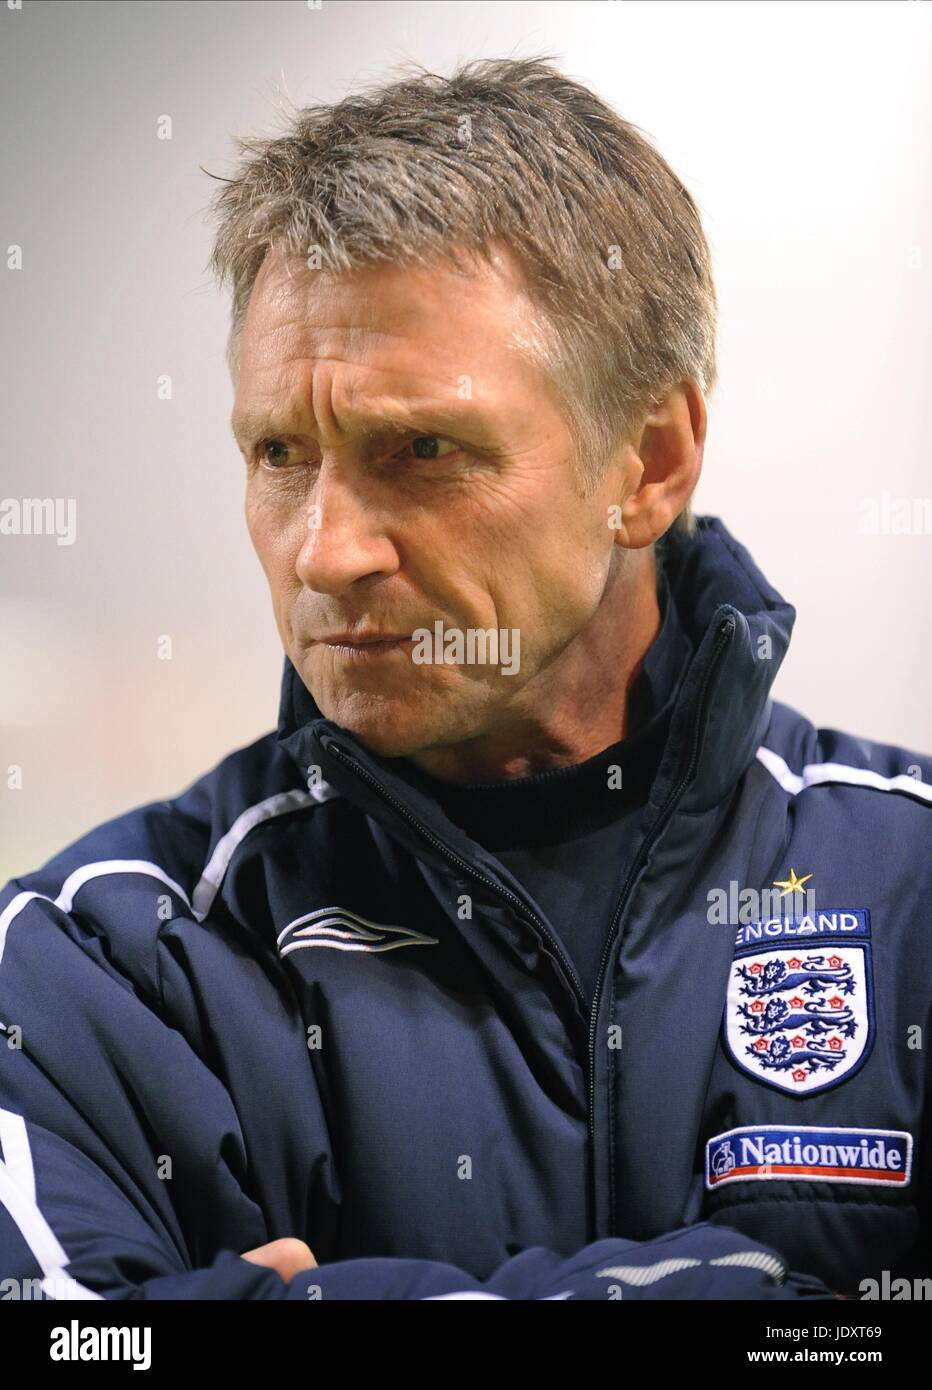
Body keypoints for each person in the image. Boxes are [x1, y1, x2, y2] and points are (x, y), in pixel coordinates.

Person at [0, 56, 927, 1302]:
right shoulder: (98, 962)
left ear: (648, 461)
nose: (327, 550)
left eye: (420, 448)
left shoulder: (908, 892)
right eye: (279, 452)